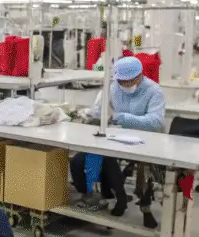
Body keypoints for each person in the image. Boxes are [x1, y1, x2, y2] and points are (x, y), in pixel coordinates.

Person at [69, 56, 166, 228]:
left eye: (128, 82)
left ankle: (131, 200)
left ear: (139, 76)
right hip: (117, 137)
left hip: (146, 140)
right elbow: (99, 110)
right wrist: (89, 114)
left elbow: (155, 121)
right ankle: (109, 195)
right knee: (80, 160)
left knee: (111, 159)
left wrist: (121, 118)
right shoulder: (114, 87)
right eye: (121, 82)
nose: (124, 85)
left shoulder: (154, 91)